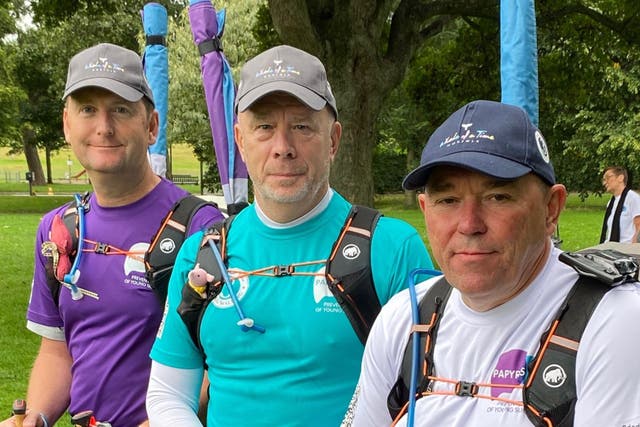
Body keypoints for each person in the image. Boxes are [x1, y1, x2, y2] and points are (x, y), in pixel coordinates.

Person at [146, 44, 434, 427]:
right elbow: (168, 393)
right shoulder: (201, 253)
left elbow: (429, 397)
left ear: (332, 140)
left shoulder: (392, 248)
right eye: (264, 127)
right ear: (240, 140)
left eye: (301, 126)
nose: (283, 148)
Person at [348, 100, 640, 426]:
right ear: (424, 209)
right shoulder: (402, 320)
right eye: (448, 200)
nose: (469, 224)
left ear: (551, 210)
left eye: (497, 197)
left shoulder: (614, 321)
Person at [0, 43, 223, 427]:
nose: (104, 127)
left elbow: (225, 362)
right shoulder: (59, 230)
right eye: (88, 109)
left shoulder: (201, 227)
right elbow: (58, 352)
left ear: (151, 125)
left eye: (120, 109)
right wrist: (34, 417)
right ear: (67, 124)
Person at [599, 165, 640, 243]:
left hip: (626, 249)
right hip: (610, 247)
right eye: (603, 180)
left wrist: (634, 249)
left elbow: (639, 227)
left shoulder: (633, 198)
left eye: (608, 177)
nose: (604, 183)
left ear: (620, 178)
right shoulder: (611, 202)